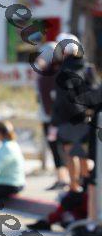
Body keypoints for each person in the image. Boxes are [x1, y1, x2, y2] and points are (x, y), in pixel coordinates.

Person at [50, 33, 96, 193]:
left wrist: (55, 121)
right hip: (87, 118)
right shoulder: (88, 68)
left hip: (69, 119)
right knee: (85, 154)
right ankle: (88, 188)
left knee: (71, 154)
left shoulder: (63, 71)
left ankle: (75, 187)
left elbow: (63, 99)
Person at [34, 41, 69, 190]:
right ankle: (64, 178)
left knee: (56, 148)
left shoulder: (49, 73)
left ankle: (63, 179)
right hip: (56, 118)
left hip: (51, 119)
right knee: (59, 148)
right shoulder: (57, 71)